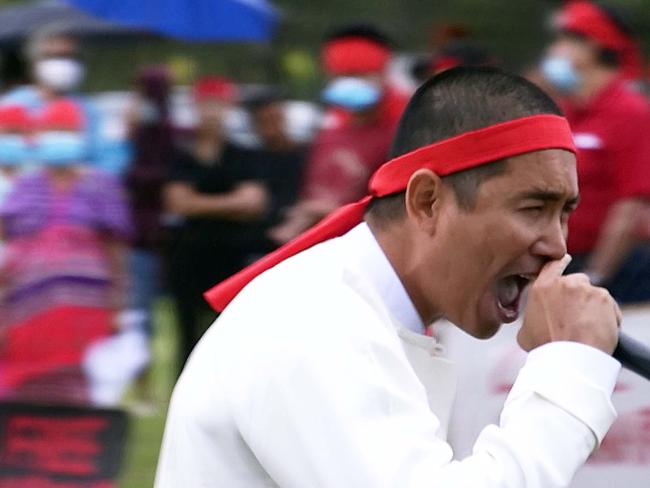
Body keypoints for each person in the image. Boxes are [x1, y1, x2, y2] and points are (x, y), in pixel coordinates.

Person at [156, 67, 622, 487]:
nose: (557, 245)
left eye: (565, 212)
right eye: (533, 208)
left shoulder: (357, 309)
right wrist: (570, 367)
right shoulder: (317, 320)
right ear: (426, 201)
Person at [0, 99, 131, 404]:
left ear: (81, 135)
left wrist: (118, 306)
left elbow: (115, 251)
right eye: (52, 130)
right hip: (29, 310)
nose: (58, 137)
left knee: (78, 384)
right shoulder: (24, 187)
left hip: (87, 311)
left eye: (66, 130)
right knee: (28, 385)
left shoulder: (102, 185)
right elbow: (8, 250)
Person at [539, 0, 650, 302]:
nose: (553, 50)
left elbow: (630, 206)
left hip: (617, 272)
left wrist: (596, 278)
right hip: (569, 264)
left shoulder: (629, 111)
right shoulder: (566, 110)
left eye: (563, 40)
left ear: (591, 47)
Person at [163, 76, 269, 372]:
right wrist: (230, 203)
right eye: (205, 105)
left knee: (233, 331)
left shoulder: (243, 154)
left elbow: (253, 203)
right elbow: (176, 202)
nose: (211, 112)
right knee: (186, 332)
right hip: (188, 256)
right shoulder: (181, 155)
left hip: (231, 255)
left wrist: (199, 204)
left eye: (217, 105)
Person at [269, 25, 406, 244]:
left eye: (358, 76)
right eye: (342, 76)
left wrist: (332, 211)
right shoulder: (328, 131)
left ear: (381, 76)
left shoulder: (400, 134)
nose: (349, 84)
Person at [0, 23, 127, 175]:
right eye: (53, 56)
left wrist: (84, 175)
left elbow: (110, 159)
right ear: (34, 62)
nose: (62, 63)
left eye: (69, 56)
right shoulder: (12, 105)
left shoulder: (89, 110)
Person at [242, 91, 307, 256]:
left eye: (274, 118)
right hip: (258, 240)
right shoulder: (247, 159)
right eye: (263, 120)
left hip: (298, 236)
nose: (270, 125)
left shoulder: (306, 154)